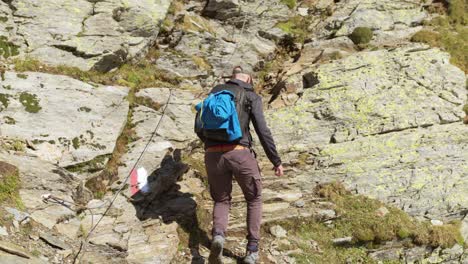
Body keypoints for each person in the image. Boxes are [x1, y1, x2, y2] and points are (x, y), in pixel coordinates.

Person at [203, 66, 284, 264]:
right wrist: (276, 160)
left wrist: (211, 147)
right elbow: (262, 130)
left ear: (231, 77)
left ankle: (219, 237)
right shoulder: (250, 95)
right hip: (239, 153)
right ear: (248, 78)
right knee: (254, 198)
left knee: (221, 200)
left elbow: (199, 125)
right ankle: (252, 251)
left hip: (212, 155)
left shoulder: (214, 93)